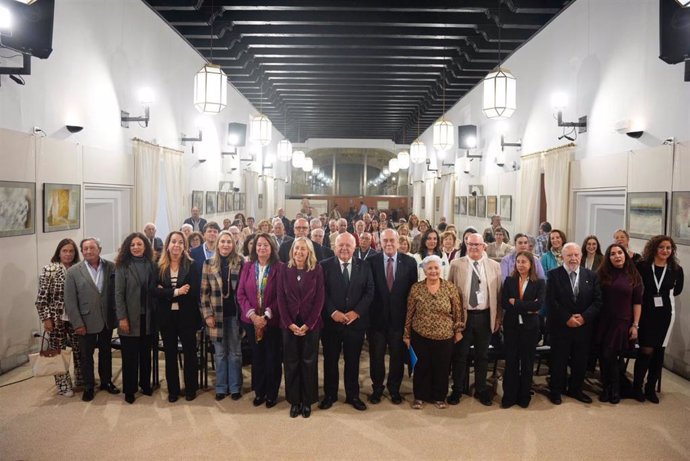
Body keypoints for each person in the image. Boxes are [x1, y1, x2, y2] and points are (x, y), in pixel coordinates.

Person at [319, 232, 374, 411]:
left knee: (353, 361)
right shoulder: (324, 266)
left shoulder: (364, 265)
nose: (344, 248)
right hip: (331, 323)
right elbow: (322, 292)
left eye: (348, 245)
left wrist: (356, 312)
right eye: (340, 245)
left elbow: (369, 292)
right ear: (335, 247)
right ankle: (330, 395)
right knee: (330, 361)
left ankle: (353, 395)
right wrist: (332, 312)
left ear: (354, 247)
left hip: (355, 324)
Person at [447, 233, 502, 406]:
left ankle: (481, 389)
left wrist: (498, 318)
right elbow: (449, 292)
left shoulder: (494, 266)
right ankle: (457, 389)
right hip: (464, 317)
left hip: (485, 316)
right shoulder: (456, 264)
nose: (474, 248)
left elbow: (498, 295)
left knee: (482, 355)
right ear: (466, 244)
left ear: (484, 246)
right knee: (460, 355)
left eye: (477, 245)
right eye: (470, 244)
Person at [404, 255, 464, 409]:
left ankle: (439, 397)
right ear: (424, 270)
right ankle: (420, 397)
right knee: (421, 366)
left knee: (442, 367)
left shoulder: (450, 288)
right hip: (420, 334)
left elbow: (457, 312)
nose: (433, 271)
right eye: (429, 268)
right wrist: (407, 334)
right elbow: (409, 312)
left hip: (444, 335)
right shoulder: (416, 288)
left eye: (436, 268)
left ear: (441, 269)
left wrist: (458, 331)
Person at [546, 242, 602, 405]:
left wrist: (584, 317)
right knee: (559, 361)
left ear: (581, 256)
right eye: (569, 255)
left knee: (580, 361)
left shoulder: (591, 276)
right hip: (560, 327)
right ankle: (556, 391)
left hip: (583, 328)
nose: (573, 258)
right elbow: (550, 301)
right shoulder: (553, 275)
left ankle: (576, 390)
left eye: (576, 255)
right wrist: (566, 318)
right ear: (562, 257)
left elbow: (597, 302)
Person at [64, 238, 119, 402]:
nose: (88, 251)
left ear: (99, 249)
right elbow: (70, 301)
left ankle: (106, 382)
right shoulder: (73, 272)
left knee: (106, 353)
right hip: (85, 322)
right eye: (85, 249)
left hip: (106, 319)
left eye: (92, 248)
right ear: (81, 252)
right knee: (86, 355)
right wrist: (77, 323)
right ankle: (88, 386)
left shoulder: (111, 267)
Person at [367, 229, 418, 405]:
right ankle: (377, 388)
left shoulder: (410, 262)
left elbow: (413, 294)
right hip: (376, 321)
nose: (388, 244)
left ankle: (394, 388)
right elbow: (368, 291)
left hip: (399, 320)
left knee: (397, 357)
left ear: (398, 242)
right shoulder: (371, 261)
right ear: (379, 242)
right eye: (385, 241)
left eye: (392, 240)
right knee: (376, 357)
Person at [277, 237, 325, 418]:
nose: (299, 252)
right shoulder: (284, 269)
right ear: (292, 251)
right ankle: (294, 401)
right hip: (288, 324)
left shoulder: (317, 269)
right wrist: (289, 323)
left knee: (308, 362)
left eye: (303, 249)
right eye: (296, 248)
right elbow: (280, 297)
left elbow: (320, 299)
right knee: (291, 363)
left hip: (311, 324)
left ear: (309, 252)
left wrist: (308, 324)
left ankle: (307, 401)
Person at [634, 235, 684, 403]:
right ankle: (637, 387)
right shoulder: (642, 266)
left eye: (668, 248)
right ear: (654, 248)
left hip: (665, 315)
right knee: (646, 350)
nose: (665, 251)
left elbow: (677, 290)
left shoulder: (676, 269)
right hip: (646, 313)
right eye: (661, 247)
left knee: (659, 353)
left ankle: (650, 388)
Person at [153, 231, 202, 403]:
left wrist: (166, 292)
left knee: (190, 353)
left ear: (184, 246)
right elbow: (154, 292)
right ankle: (173, 390)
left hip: (187, 316)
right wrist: (177, 291)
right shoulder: (158, 266)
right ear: (168, 245)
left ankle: (190, 388)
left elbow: (194, 291)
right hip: (166, 317)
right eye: (173, 241)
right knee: (170, 354)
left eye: (180, 242)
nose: (177, 245)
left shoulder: (192, 265)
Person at [237, 232, 284, 408]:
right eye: (258, 245)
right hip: (251, 321)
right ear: (254, 248)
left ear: (272, 247)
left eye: (265, 245)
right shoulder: (248, 266)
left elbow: (281, 295)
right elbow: (240, 293)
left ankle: (272, 393)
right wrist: (253, 316)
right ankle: (259, 392)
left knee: (272, 357)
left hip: (272, 321)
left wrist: (265, 316)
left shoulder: (280, 267)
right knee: (257, 357)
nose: (261, 248)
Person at [594, 243, 642, 404]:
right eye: (613, 254)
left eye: (620, 253)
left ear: (625, 255)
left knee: (611, 355)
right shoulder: (601, 274)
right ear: (608, 258)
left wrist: (635, 325)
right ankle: (607, 387)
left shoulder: (634, 275)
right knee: (604, 355)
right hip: (602, 320)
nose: (617, 256)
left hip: (622, 321)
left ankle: (614, 389)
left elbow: (637, 303)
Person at [35, 238, 83, 397]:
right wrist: (46, 318)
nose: (68, 254)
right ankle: (63, 385)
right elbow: (41, 299)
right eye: (65, 251)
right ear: (59, 252)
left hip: (76, 318)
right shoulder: (49, 269)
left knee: (79, 350)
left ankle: (81, 380)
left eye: (71, 251)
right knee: (58, 351)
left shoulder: (79, 269)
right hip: (56, 319)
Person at [200, 230, 244, 401]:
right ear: (217, 244)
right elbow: (204, 294)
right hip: (216, 316)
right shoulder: (208, 263)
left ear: (233, 244)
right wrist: (207, 315)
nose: (226, 245)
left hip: (235, 315)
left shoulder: (240, 262)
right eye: (223, 241)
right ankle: (221, 387)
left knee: (235, 353)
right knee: (220, 353)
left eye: (229, 242)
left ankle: (234, 387)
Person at [115, 232, 157, 404]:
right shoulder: (122, 266)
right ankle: (130, 390)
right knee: (130, 356)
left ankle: (145, 385)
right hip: (130, 318)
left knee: (145, 354)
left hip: (148, 317)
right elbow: (118, 294)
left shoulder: (152, 265)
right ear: (128, 247)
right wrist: (122, 317)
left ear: (145, 246)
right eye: (132, 245)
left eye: (139, 244)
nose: (136, 247)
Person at [500, 251, 545, 408]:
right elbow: (505, 302)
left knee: (527, 361)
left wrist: (516, 303)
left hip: (530, 328)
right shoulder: (509, 280)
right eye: (518, 261)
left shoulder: (539, 283)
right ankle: (509, 396)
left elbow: (538, 305)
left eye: (524, 261)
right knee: (511, 361)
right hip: (511, 326)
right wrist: (527, 306)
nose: (520, 264)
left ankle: (524, 395)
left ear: (531, 264)